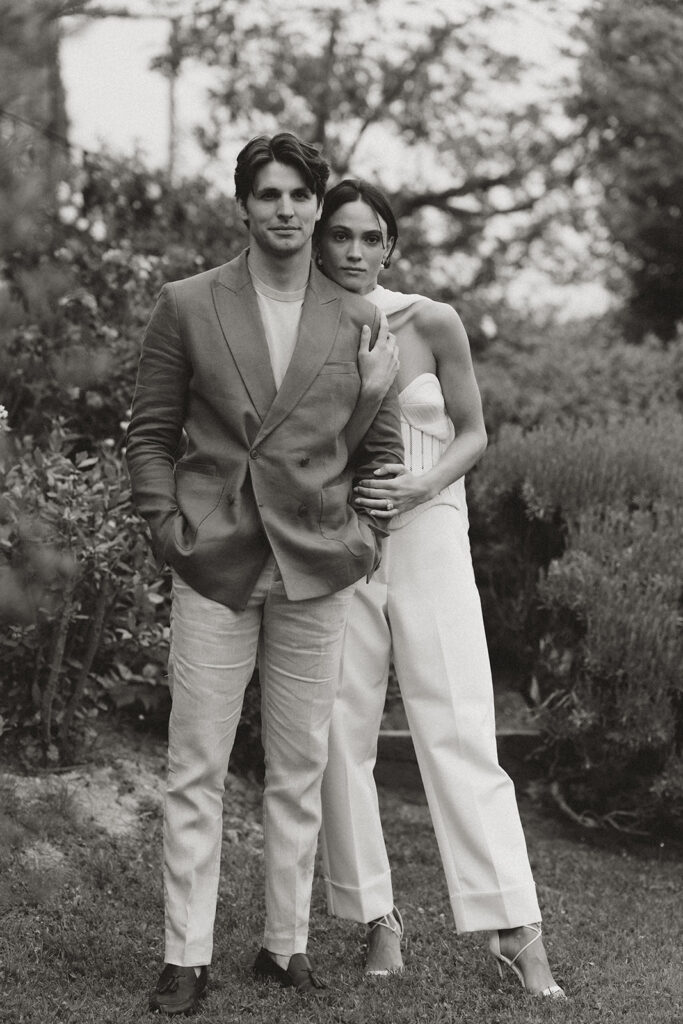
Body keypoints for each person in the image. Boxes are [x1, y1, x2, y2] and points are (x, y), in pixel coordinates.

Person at [126, 140, 403, 1015]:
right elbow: (150, 435)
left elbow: (381, 453)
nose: (285, 209)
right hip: (216, 563)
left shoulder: (357, 317)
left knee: (299, 765)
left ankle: (285, 946)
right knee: (196, 765)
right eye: (268, 193)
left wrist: (362, 538)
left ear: (318, 207)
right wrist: (170, 532)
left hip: (316, 566)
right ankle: (185, 956)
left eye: (298, 195)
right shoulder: (187, 303)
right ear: (243, 206)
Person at [316, 179, 565, 998]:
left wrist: (423, 488)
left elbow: (473, 432)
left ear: (390, 246)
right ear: (319, 243)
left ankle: (515, 928)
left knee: (458, 724)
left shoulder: (431, 320)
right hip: (343, 543)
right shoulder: (303, 326)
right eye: (339, 235)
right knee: (338, 730)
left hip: (429, 532)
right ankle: (376, 918)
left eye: (369, 237)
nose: (354, 251)